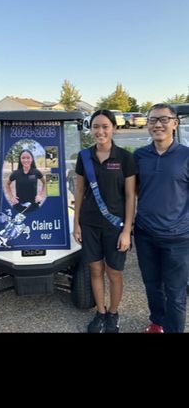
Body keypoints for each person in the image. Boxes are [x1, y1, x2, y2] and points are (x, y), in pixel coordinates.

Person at [73, 109, 135, 333]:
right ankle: (100, 312)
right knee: (95, 270)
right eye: (96, 127)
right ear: (91, 130)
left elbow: (130, 196)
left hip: (115, 226)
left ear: (114, 129)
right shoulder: (84, 157)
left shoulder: (125, 158)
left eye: (105, 126)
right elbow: (79, 192)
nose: (100, 131)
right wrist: (76, 224)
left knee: (114, 272)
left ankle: (113, 313)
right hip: (89, 224)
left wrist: (127, 230)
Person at [134, 103, 189, 334]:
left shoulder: (186, 156)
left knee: (176, 292)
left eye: (164, 119)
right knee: (152, 286)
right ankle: (157, 322)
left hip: (178, 237)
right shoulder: (139, 156)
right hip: (145, 234)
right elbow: (133, 191)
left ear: (175, 124)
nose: (158, 124)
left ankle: (175, 329)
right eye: (153, 120)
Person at [3, 148, 47, 213]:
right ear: (20, 160)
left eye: (28, 158)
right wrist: (11, 197)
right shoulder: (16, 173)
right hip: (18, 205)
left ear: (32, 159)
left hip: (34, 205)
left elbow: (45, 183)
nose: (25, 160)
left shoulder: (36, 172)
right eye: (23, 158)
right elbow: (7, 184)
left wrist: (41, 195)